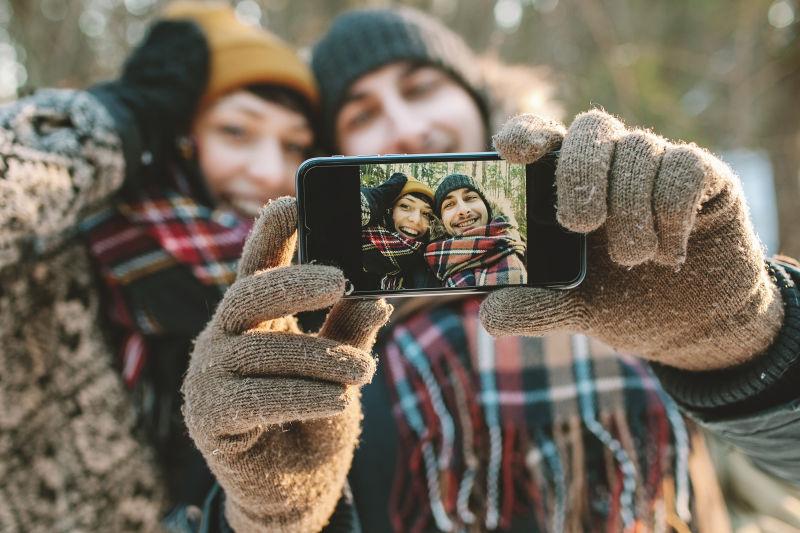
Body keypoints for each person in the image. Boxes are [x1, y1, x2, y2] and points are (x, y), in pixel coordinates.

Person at [181, 6, 800, 533]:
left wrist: (742, 341)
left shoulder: (632, 248)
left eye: (421, 87)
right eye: (362, 112)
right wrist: (273, 514)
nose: (405, 127)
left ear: (478, 99)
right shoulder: (306, 339)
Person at [0, 2, 321, 530]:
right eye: (236, 131)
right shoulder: (54, 249)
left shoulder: (310, 293)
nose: (269, 171)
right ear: (174, 137)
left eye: (294, 146)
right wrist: (117, 119)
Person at [425, 173, 527, 287]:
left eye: (470, 198)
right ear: (441, 220)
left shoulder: (525, 248)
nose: (463, 210)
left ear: (488, 206)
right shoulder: (429, 268)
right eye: (449, 204)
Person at [361, 172, 442, 289]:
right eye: (405, 206)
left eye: (426, 213)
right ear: (389, 209)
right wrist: (370, 200)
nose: (415, 220)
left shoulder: (433, 266)